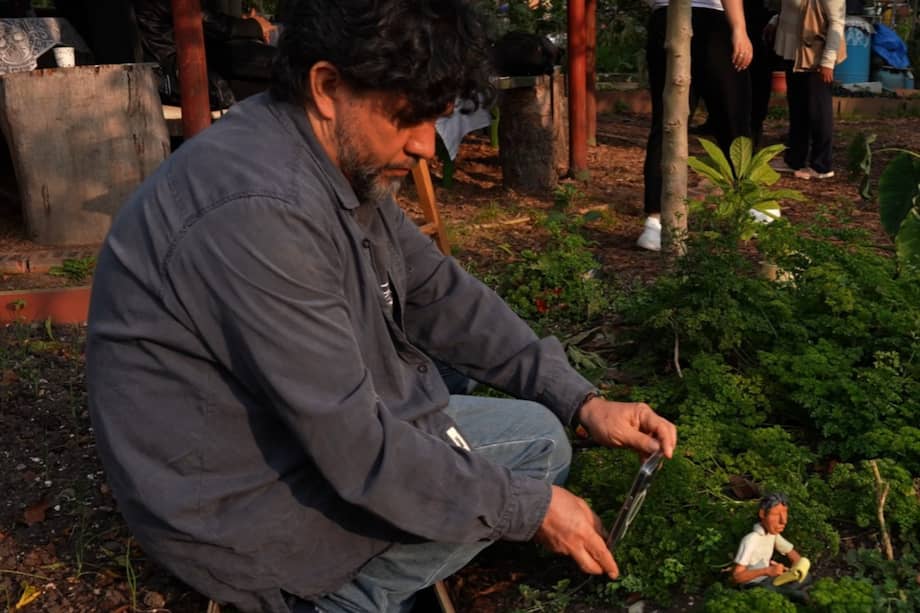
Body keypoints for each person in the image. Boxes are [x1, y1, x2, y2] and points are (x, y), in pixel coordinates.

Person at [86, 2, 678, 612]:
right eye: (407, 119)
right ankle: (336, 597)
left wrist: (583, 400)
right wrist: (529, 509)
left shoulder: (326, 155)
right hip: (235, 501)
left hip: (279, 431)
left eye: (437, 119)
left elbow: (437, 293)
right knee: (527, 469)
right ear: (327, 86)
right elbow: (356, 449)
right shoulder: (259, 209)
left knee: (532, 433)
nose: (426, 145)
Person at [637, 0, 754, 252]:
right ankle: (745, 202)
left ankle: (654, 220)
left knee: (667, 120)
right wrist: (739, 28)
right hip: (710, 19)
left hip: (664, 19)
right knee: (733, 116)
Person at [133, 0, 277, 108]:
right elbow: (210, 23)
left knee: (277, 64)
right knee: (280, 71)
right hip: (177, 76)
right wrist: (255, 26)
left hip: (185, 71)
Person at [767, 0, 844, 179]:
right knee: (798, 107)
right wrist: (775, 21)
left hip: (814, 54)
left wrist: (828, 61)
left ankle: (822, 165)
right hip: (794, 50)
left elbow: (836, 21)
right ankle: (794, 159)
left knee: (818, 110)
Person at [732, 492, 809, 597]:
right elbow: (737, 577)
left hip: (769, 580)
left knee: (806, 577)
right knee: (791, 594)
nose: (784, 521)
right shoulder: (751, 540)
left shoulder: (773, 535)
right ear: (763, 514)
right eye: (776, 514)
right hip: (753, 584)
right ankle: (792, 594)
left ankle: (789, 592)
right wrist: (767, 571)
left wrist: (795, 571)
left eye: (785, 513)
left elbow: (794, 556)